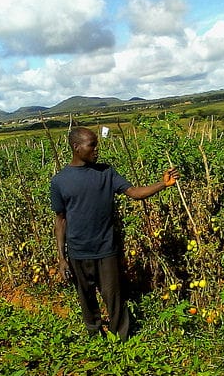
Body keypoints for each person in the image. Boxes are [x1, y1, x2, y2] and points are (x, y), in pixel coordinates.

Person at [50, 127, 180, 340]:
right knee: (86, 298)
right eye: (92, 145)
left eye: (96, 145)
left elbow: (134, 193)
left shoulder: (106, 172)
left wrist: (163, 184)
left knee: (114, 296)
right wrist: (62, 258)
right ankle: (94, 336)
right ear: (76, 147)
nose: (96, 150)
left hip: (106, 248)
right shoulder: (59, 181)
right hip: (78, 251)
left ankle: (121, 338)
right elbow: (60, 220)